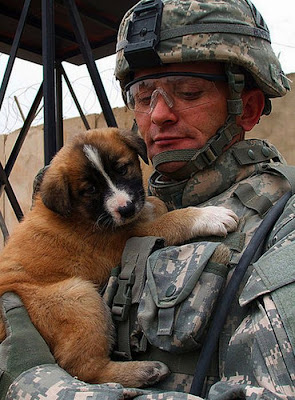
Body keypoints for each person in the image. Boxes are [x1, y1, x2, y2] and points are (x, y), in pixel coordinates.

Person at [1, 0, 295, 399]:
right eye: (142, 96)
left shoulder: (281, 223)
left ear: (248, 106)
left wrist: (36, 386)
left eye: (188, 92)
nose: (158, 115)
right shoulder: (123, 205)